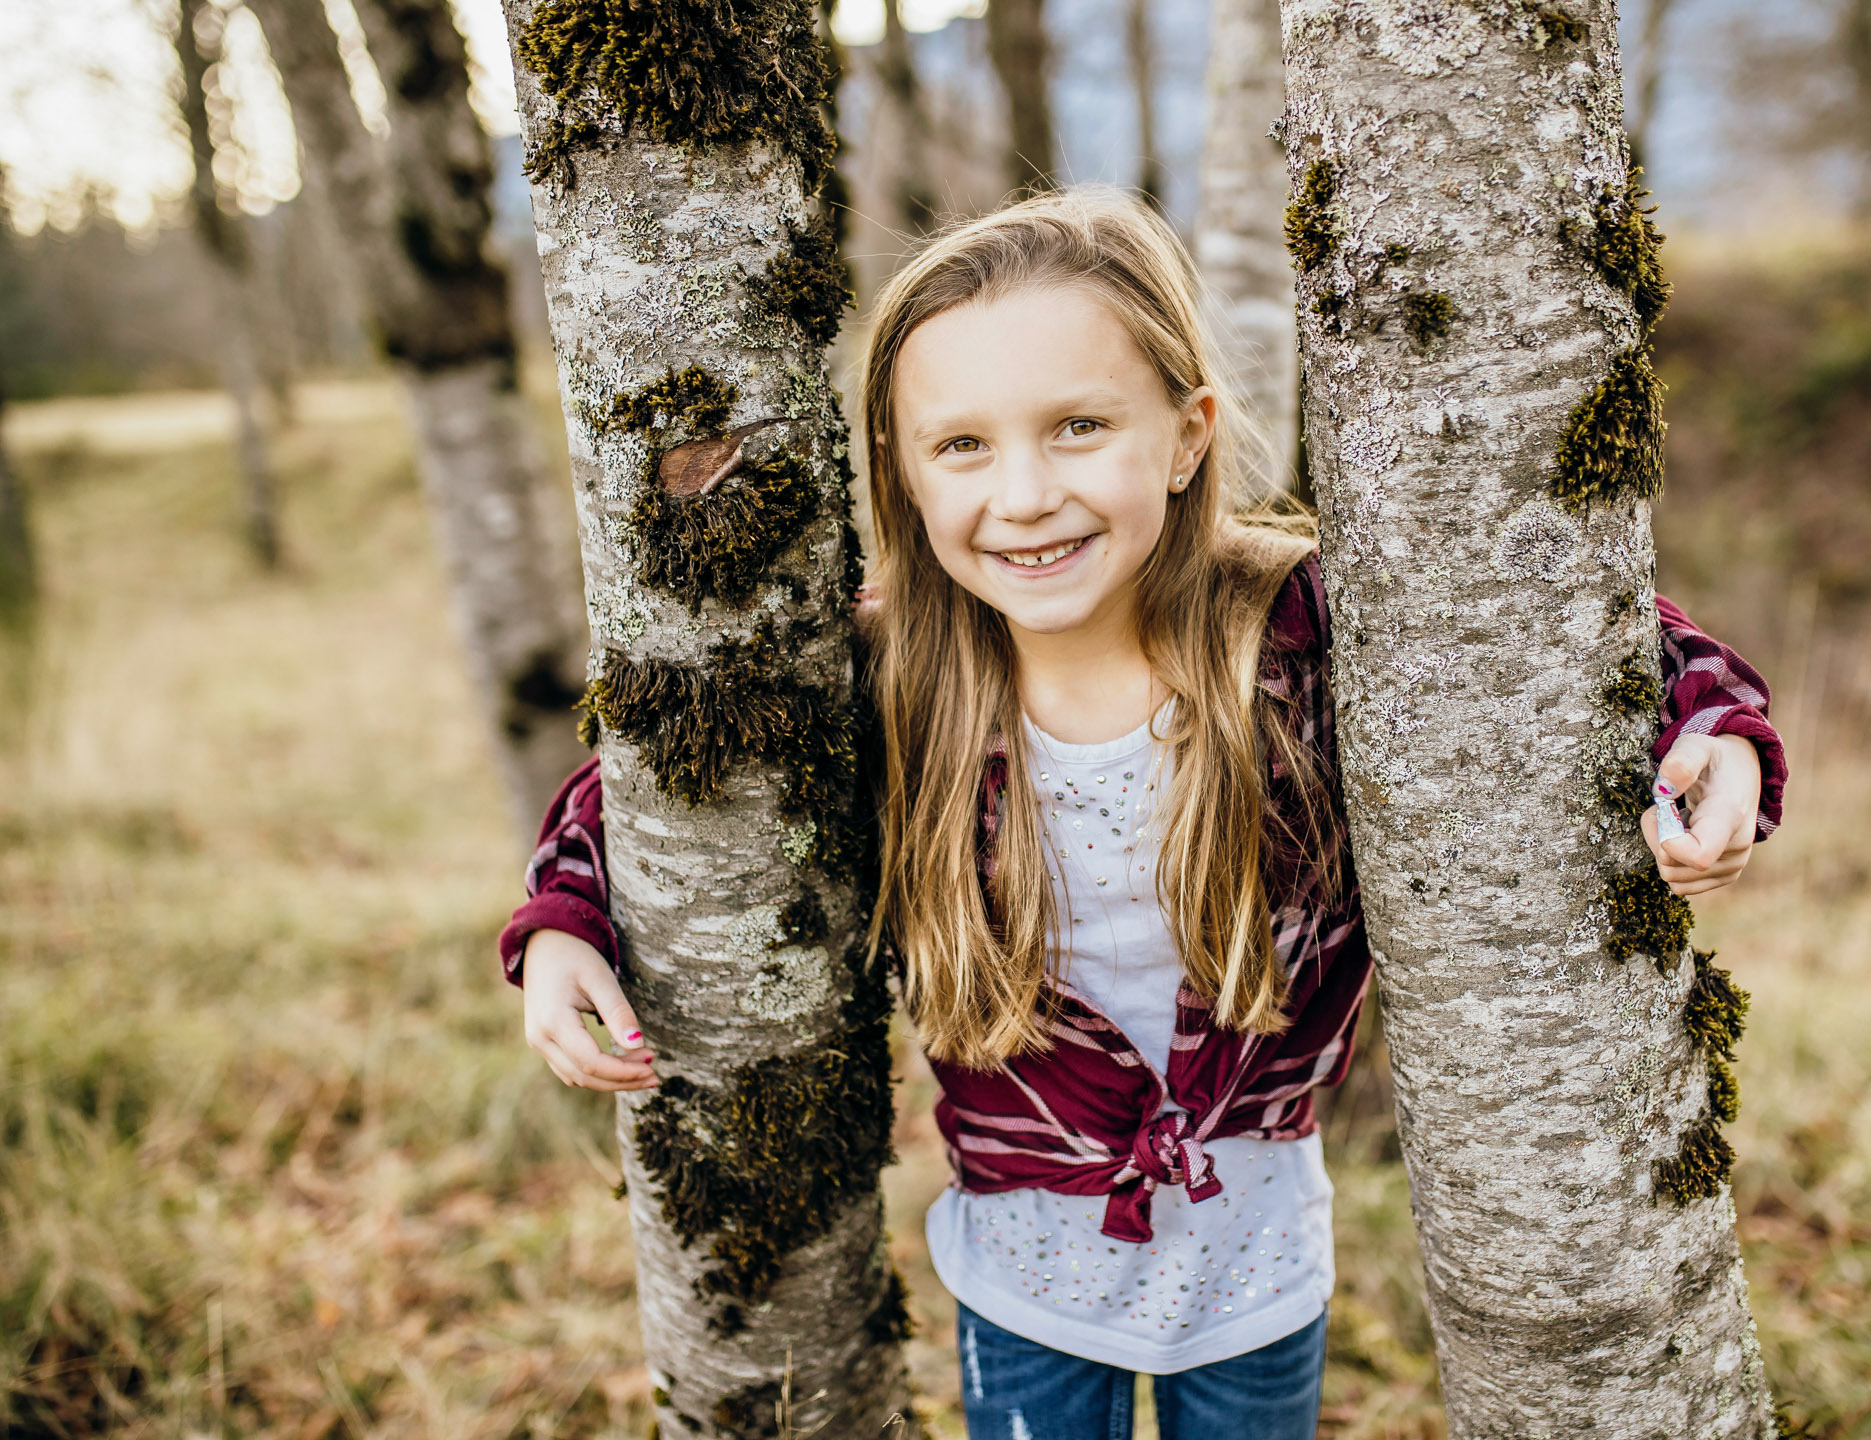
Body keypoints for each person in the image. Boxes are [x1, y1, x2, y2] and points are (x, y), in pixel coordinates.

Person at [499, 189, 1788, 1440]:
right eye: (963, 444)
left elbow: (1559, 637)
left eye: (1078, 426)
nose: (1022, 495)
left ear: (1185, 435)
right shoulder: (890, 678)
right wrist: (565, 920)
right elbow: (679, 782)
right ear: (899, 466)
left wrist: (1716, 735)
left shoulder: (1297, 631)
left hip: (1263, 1248)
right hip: (1020, 1265)